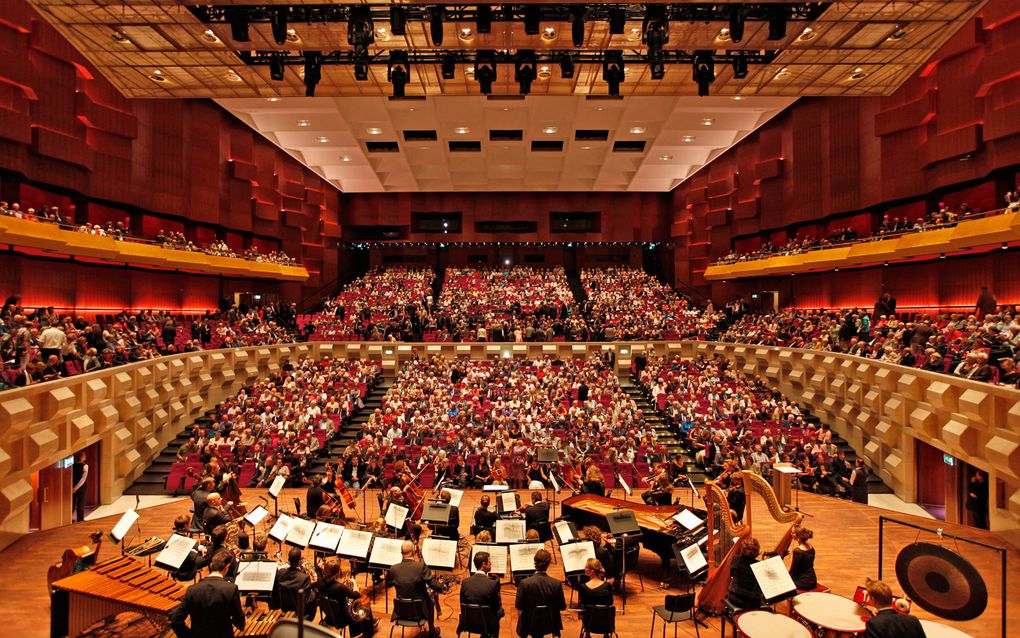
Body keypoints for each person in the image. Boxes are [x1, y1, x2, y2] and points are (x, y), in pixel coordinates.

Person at [169, 550, 245, 638]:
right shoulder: (231, 589)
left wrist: (189, 636)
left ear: (212, 566)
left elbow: (175, 621)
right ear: (227, 567)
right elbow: (240, 623)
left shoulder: (192, 590)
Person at [388, 540, 444, 637]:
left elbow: (388, 583)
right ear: (413, 552)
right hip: (419, 612)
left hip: (400, 611)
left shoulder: (393, 569)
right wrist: (442, 587)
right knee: (429, 600)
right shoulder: (420, 566)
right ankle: (432, 631)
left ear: (401, 553)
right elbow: (431, 583)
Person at [317, 557, 377, 637]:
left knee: (353, 604)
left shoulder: (320, 582)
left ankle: (362, 628)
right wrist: (355, 584)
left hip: (330, 615)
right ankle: (369, 632)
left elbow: (317, 571)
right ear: (336, 573)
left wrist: (318, 568)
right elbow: (356, 595)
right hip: (342, 618)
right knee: (364, 604)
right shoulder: (339, 587)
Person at [515, 549, 566, 638]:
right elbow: (562, 607)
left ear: (534, 562)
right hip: (550, 624)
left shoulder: (525, 583)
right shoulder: (556, 583)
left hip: (530, 624)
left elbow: (518, 606)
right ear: (549, 563)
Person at [458, 551, 503, 638]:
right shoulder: (492, 584)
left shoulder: (465, 582)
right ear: (484, 564)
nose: (491, 563)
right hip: (486, 624)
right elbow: (496, 607)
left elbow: (462, 603)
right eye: (489, 562)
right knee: (500, 612)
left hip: (468, 623)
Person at [272, 547, 317, 620]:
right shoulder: (304, 578)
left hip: (285, 609)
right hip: (299, 614)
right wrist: (314, 592)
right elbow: (305, 602)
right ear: (299, 561)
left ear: (288, 560)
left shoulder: (280, 573)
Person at [725, 537, 762, 610]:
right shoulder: (759, 565)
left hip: (734, 598)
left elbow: (732, 575)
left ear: (742, 549)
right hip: (753, 602)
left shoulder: (736, 560)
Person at [788, 526, 817, 591]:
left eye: (793, 533)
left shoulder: (798, 551)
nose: (791, 534)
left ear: (798, 536)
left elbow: (793, 571)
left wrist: (787, 579)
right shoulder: (811, 547)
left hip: (803, 583)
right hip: (813, 580)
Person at [71, 452, 89, 523]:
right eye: (84, 455)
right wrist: (76, 488)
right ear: (81, 457)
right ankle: (80, 519)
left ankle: (70, 519)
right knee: (80, 504)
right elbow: (83, 479)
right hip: (81, 488)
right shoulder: (85, 466)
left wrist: (73, 488)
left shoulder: (73, 465)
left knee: (72, 503)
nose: (85, 456)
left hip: (72, 488)